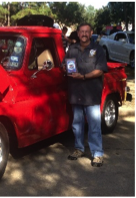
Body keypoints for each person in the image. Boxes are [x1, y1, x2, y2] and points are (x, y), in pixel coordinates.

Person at [63, 22, 108, 167]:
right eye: (81, 31)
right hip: (75, 93)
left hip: (91, 94)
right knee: (77, 124)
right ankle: (79, 149)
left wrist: (83, 76)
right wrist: (65, 68)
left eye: (86, 32)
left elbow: (100, 70)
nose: (84, 34)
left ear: (91, 33)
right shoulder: (72, 49)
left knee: (94, 125)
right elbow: (65, 64)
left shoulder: (98, 50)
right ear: (78, 32)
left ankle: (97, 153)